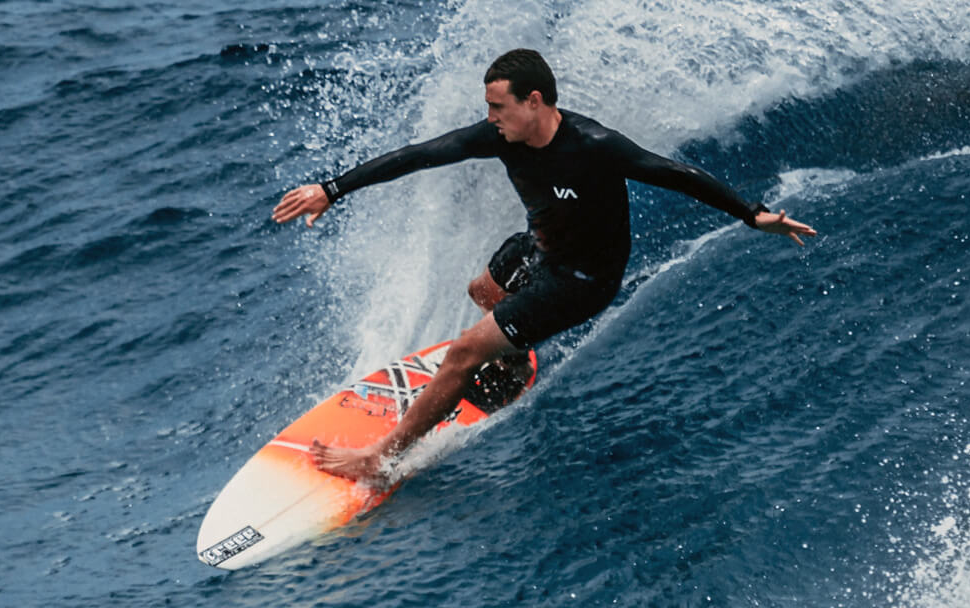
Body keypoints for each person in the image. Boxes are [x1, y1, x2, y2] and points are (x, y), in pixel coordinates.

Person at [272, 49, 816, 482]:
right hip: (541, 246)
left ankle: (379, 457)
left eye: (498, 108)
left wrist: (753, 214)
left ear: (534, 101)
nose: (490, 120)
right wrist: (332, 189)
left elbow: (674, 173)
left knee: (463, 352)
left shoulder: (594, 146)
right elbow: (420, 154)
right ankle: (511, 359)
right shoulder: (502, 137)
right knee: (482, 290)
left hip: (585, 279)